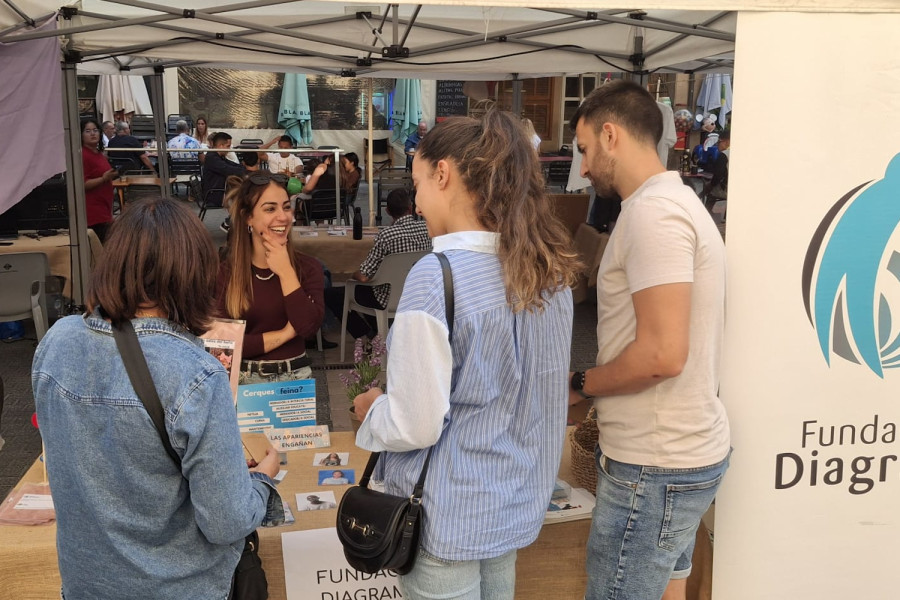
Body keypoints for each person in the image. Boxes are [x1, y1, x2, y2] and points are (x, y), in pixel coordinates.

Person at [353, 111, 579, 600]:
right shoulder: (550, 272)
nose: (414, 201)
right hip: (514, 505)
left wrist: (372, 409)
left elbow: (416, 424)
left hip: (449, 516)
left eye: (416, 183)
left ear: (443, 173)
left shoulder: (437, 275)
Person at [32, 197, 284, 600]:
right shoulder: (195, 373)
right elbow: (226, 521)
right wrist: (262, 480)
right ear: (193, 273)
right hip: (176, 587)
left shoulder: (56, 342)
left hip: (85, 583)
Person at [569, 80, 730, 600]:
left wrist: (583, 382)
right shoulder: (670, 204)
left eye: (585, 149)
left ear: (610, 135)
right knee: (669, 585)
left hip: (654, 463)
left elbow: (662, 355)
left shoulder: (654, 214)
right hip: (671, 459)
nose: (585, 167)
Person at [216, 171, 325, 385]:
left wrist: (285, 271)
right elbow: (224, 345)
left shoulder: (308, 268)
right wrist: (285, 334)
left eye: (286, 206)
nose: (283, 216)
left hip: (295, 380)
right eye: (270, 209)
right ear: (248, 217)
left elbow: (309, 328)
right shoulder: (225, 273)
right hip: (243, 381)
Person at [323, 188, 431, 339]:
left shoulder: (386, 235)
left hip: (387, 298)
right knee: (368, 290)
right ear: (411, 208)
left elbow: (363, 277)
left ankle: (367, 335)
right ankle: (378, 331)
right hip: (418, 294)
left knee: (335, 294)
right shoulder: (427, 229)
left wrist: (351, 276)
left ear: (387, 211)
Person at [79, 118, 117, 243]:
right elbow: (82, 184)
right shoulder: (82, 155)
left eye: (95, 130)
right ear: (81, 135)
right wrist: (103, 178)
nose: (93, 134)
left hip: (104, 209)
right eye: (88, 131)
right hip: (93, 213)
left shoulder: (99, 153)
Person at [202, 132, 246, 209]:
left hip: (219, 191)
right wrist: (246, 171)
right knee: (243, 196)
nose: (229, 149)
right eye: (228, 146)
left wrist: (244, 168)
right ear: (220, 146)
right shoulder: (212, 158)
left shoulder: (218, 156)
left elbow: (231, 165)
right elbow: (227, 169)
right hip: (215, 195)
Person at [704, 130, 730, 212]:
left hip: (727, 190)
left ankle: (706, 215)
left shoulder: (724, 155)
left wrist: (710, 185)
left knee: (710, 192)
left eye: (719, 141)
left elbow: (718, 176)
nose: (717, 144)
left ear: (727, 141)